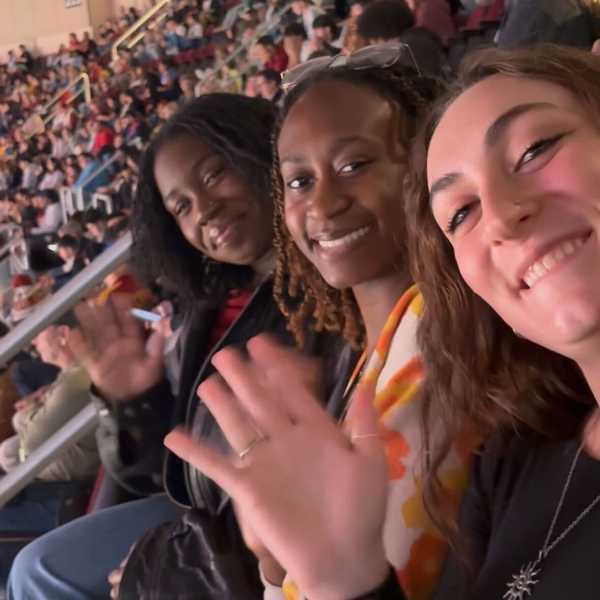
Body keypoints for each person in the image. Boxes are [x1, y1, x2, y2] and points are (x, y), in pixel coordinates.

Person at [166, 46, 473, 600]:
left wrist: (280, 567)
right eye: (299, 181)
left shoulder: (447, 345)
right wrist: (271, 558)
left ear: (425, 160)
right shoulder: (377, 346)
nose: (323, 204)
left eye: (353, 165)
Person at [7, 94, 343, 600]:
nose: (204, 210)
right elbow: (159, 473)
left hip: (255, 528)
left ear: (264, 154)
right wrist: (133, 404)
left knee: (38, 572)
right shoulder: (206, 301)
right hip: (199, 508)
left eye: (214, 175)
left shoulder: (332, 278)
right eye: (181, 206)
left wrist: (174, 569)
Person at [403, 44, 600, 600]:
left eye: (534, 149)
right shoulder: (509, 461)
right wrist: (341, 581)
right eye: (461, 213)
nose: (501, 218)